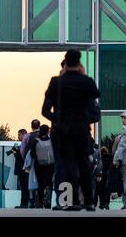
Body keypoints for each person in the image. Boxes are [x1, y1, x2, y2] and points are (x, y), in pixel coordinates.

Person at [42, 49, 100, 211]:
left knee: (65, 165)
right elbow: (95, 96)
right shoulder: (86, 82)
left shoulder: (56, 82)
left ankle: (68, 201)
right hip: (81, 129)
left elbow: (45, 110)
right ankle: (88, 201)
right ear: (79, 63)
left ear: (65, 63)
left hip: (62, 130)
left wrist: (58, 120)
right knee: (83, 164)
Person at [30, 124, 55, 209]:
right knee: (49, 183)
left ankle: (40, 202)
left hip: (39, 165)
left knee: (40, 184)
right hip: (50, 165)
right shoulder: (52, 140)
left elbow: (32, 154)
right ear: (48, 131)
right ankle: (48, 201)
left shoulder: (36, 141)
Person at [13, 129, 29, 208]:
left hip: (23, 169)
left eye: (19, 135)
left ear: (23, 135)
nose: (18, 137)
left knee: (24, 187)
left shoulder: (25, 145)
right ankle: (25, 203)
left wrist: (16, 153)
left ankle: (24, 203)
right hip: (24, 169)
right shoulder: (25, 145)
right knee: (24, 186)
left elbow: (23, 157)